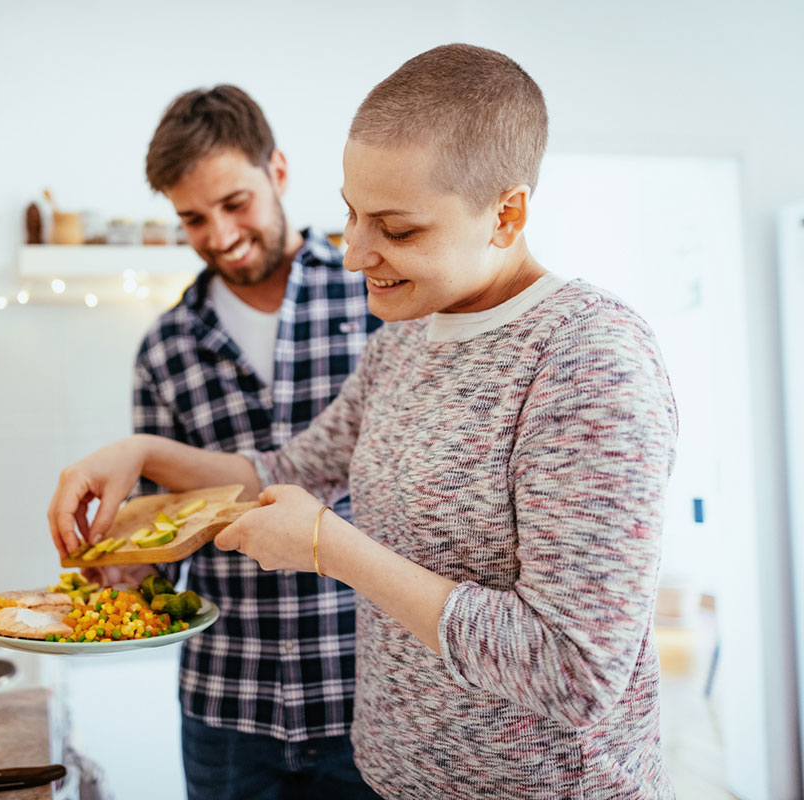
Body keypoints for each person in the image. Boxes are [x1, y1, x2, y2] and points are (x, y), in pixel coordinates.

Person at [50, 44, 678, 799]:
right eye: (350, 213)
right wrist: (141, 450)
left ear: (505, 214)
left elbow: (574, 672)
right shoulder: (406, 338)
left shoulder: (588, 360)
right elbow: (288, 472)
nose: (354, 254)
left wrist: (330, 547)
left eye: (396, 229)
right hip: (392, 780)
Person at [57, 85, 383, 799]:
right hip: (228, 705)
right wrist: (124, 568)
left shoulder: (374, 296)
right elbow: (162, 537)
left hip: (372, 692)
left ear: (280, 172)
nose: (221, 234)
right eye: (193, 219)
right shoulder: (166, 347)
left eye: (236, 203)